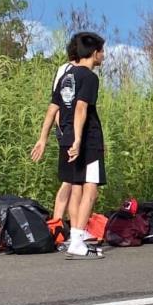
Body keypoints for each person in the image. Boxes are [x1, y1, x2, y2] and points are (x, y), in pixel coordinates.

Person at [52, 32, 107, 259]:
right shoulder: (90, 77)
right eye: (102, 52)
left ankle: (77, 235)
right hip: (87, 138)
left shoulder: (66, 74)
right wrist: (77, 138)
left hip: (68, 136)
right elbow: (81, 108)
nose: (103, 55)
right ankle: (76, 238)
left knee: (76, 186)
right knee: (90, 188)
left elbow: (53, 109)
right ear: (94, 53)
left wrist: (46, 136)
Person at [30, 41, 77, 239]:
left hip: (74, 130)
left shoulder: (82, 72)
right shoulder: (66, 71)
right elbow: (56, 104)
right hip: (67, 130)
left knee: (74, 182)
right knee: (70, 181)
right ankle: (59, 226)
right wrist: (60, 131)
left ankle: (66, 227)